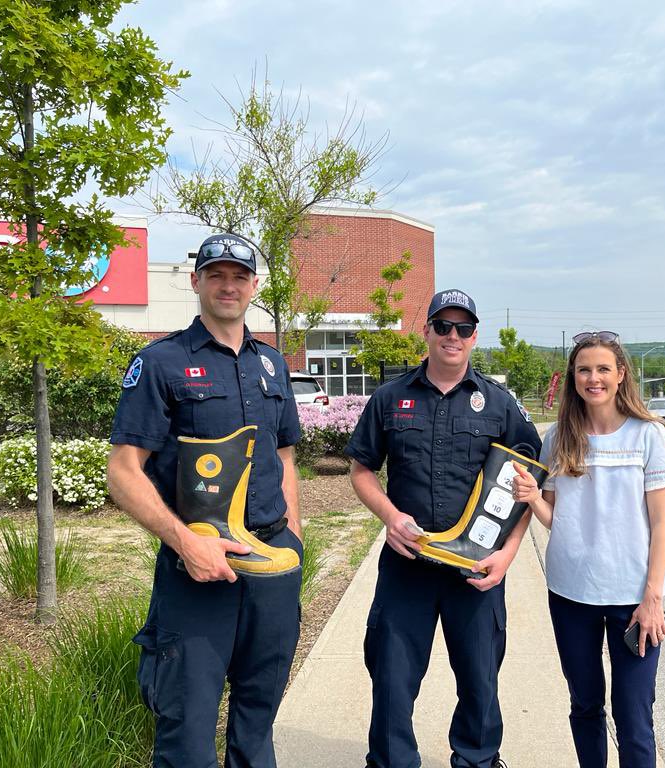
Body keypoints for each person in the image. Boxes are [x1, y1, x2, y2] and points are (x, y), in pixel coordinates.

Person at [107, 233, 304, 768]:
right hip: (196, 571)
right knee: (187, 729)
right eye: (216, 274)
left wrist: (295, 541)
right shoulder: (161, 362)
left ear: (255, 286)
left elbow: (284, 457)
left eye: (239, 276)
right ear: (196, 281)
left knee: (259, 717)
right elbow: (123, 473)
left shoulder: (273, 365)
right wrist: (186, 542)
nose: (228, 285)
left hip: (270, 566)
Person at [345, 289, 543, 768]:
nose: (453, 336)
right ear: (428, 330)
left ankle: (477, 759)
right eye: (444, 326)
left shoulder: (498, 404)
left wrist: (508, 554)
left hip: (474, 568)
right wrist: (390, 517)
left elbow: (529, 483)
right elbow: (361, 469)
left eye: (464, 328)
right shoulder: (390, 398)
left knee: (479, 677)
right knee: (392, 674)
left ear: (475, 337)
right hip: (408, 564)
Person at [510, 331, 665, 768]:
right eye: (584, 369)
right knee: (584, 704)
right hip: (571, 594)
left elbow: (662, 525)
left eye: (603, 368)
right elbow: (557, 520)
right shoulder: (559, 439)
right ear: (573, 377)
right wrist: (532, 499)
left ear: (621, 374)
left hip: (633, 599)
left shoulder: (649, 436)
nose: (593, 378)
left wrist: (652, 599)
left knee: (633, 716)